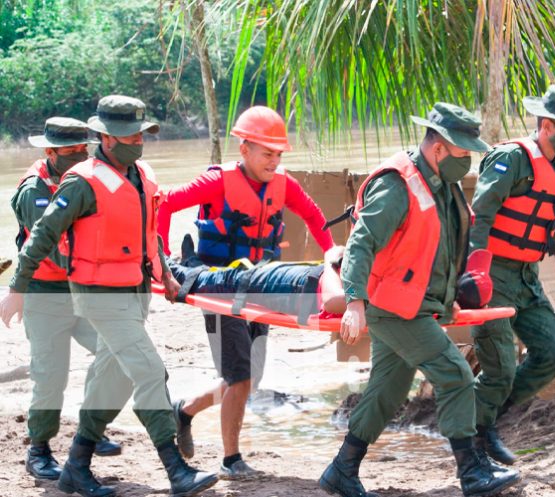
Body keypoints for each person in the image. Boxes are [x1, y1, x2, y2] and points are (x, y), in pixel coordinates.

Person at [0, 95, 217, 497]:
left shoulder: (141, 175)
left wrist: (166, 275)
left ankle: (76, 467)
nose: (138, 141)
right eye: (129, 135)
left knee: (112, 377)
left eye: (141, 133)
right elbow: (43, 235)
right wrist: (17, 288)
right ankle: (176, 471)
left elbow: (147, 233)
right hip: (95, 294)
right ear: (107, 139)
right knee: (150, 371)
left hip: (133, 292)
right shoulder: (82, 181)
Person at [319, 102, 520, 497]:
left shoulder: (440, 184)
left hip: (413, 304)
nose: (467, 161)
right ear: (440, 148)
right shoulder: (398, 184)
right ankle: (472, 471)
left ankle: (341, 470)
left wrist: (448, 302)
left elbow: (438, 250)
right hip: (389, 306)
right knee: (455, 374)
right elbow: (361, 243)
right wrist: (355, 303)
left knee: (389, 389)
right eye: (464, 153)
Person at [157, 105, 335, 478]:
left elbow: (315, 216)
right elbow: (165, 203)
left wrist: (331, 253)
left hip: (259, 286)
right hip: (217, 288)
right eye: (266, 153)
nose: (274, 161)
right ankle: (231, 460)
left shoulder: (284, 185)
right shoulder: (217, 181)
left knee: (250, 376)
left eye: (278, 154)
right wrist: (159, 258)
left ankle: (184, 411)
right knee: (239, 376)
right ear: (244, 150)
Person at [469, 84, 555, 466]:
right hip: (493, 272)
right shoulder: (511, 159)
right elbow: (481, 215)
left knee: (552, 355)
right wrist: (475, 273)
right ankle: (475, 439)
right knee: (500, 366)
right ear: (546, 125)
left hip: (527, 277)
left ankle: (483, 422)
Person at [10, 117, 122, 482]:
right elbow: (50, 246)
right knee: (50, 374)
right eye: (69, 151)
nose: (78, 156)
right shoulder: (34, 190)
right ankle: (38, 450)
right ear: (50, 152)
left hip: (83, 288)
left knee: (115, 352)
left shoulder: (91, 178)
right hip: (45, 292)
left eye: (82, 149)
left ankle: (91, 428)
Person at [169, 238, 347, 317]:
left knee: (233, 281)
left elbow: (332, 300)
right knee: (239, 275)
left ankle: (168, 268)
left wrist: (332, 259)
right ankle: (192, 265)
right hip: (309, 281)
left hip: (304, 289)